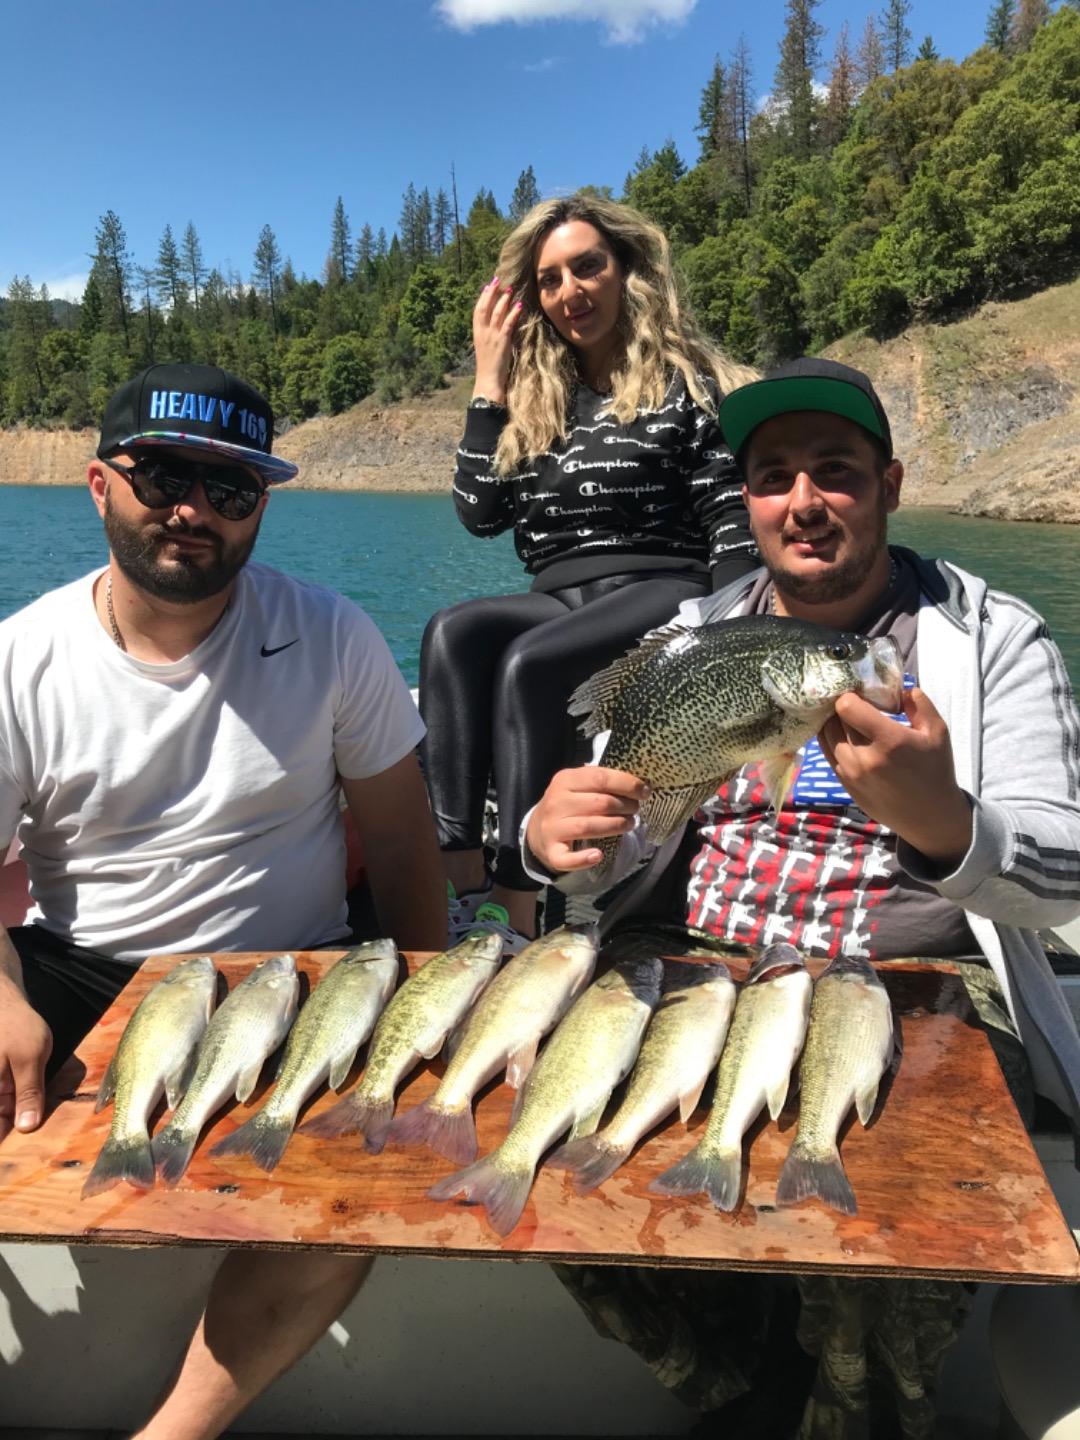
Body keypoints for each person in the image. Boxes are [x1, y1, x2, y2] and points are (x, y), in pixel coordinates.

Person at [524, 356, 1080, 1437]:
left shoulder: (988, 634)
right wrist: (558, 846)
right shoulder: (691, 640)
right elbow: (622, 829)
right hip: (693, 955)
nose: (804, 501)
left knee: (898, 1229)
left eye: (836, 471)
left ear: (889, 486)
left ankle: (850, 1415)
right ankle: (739, 1398)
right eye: (773, 476)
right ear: (747, 502)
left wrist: (946, 822)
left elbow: (1067, 867)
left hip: (915, 978)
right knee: (547, 1161)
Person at [0, 362, 446, 1439]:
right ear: (99, 484)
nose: (193, 510)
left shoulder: (334, 636)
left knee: (373, 1176)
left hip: (293, 976)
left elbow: (397, 843)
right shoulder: (20, 660)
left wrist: (431, 998)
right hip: (86, 969)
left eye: (231, 489)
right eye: (162, 477)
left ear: (261, 507)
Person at [419, 193, 759, 954]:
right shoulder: (540, 394)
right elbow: (479, 512)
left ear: (626, 270)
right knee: (454, 634)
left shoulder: (685, 381)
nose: (570, 290)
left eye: (587, 266)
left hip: (666, 584)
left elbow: (729, 517)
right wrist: (488, 378)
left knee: (530, 665)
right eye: (549, 279)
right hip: (561, 595)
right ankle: (463, 882)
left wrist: (730, 637)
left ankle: (520, 896)